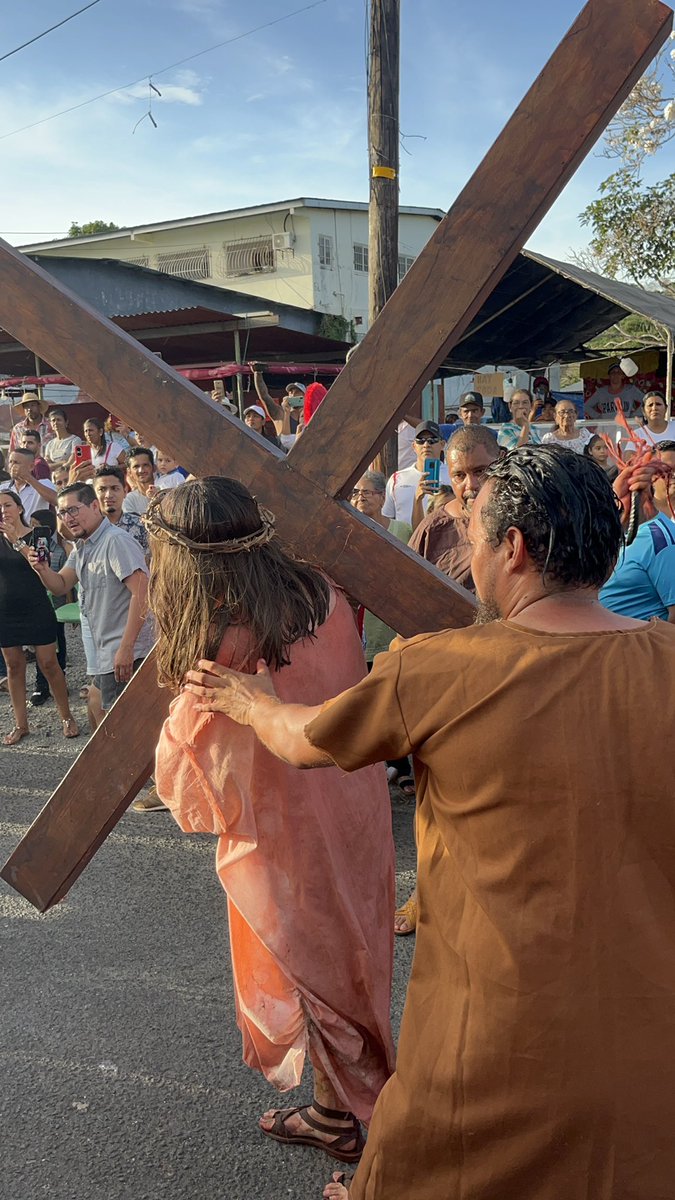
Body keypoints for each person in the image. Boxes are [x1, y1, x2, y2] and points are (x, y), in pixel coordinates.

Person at [183, 447, 675, 1200]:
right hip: (651, 1017)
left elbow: (305, 741)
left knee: (438, 1150)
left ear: (511, 548)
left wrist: (252, 703)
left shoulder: (439, 668)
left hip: (495, 1020)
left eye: (472, 536)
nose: (466, 556)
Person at [147, 478, 395, 1161]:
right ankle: (331, 1110)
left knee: (318, 982)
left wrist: (182, 726)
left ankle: (368, 1134)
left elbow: (195, 794)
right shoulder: (321, 590)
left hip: (288, 838)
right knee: (354, 963)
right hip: (354, 805)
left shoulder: (227, 645)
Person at [29, 484, 154, 725]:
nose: (68, 518)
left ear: (95, 506)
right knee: (97, 708)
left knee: (119, 726)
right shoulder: (83, 545)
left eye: (73, 510)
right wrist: (42, 569)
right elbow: (61, 585)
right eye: (63, 513)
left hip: (125, 650)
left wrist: (126, 648)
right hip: (107, 650)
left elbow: (143, 593)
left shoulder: (115, 541)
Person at [350, 471, 414, 798]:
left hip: (386, 624)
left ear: (381, 497)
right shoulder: (345, 528)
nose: (361, 497)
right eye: (356, 492)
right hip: (353, 625)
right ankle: (376, 768)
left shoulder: (401, 530)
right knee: (363, 700)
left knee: (391, 697)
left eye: (368, 492)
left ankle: (400, 765)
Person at [0, 489, 78, 745]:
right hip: (5, 610)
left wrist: (17, 541)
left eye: (7, 505)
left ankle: (66, 716)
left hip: (36, 606)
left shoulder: (38, 535)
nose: (3, 511)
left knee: (48, 664)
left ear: (20, 508)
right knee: (14, 666)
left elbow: (41, 567)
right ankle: (21, 724)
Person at [409, 425, 500, 584]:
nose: (470, 484)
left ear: (501, 461)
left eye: (480, 472)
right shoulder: (432, 530)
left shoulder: (525, 519)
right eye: (459, 475)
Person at [599, 441, 675, 622]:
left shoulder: (663, 540)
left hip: (635, 646)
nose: (672, 477)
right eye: (665, 471)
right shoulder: (611, 526)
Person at [29, 507, 70, 708]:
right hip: (38, 605)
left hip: (57, 605)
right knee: (42, 649)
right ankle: (41, 684)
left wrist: (70, 605)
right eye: (31, 525)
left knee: (59, 644)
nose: (32, 529)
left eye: (37, 526)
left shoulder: (59, 551)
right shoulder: (28, 550)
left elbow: (65, 581)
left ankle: (60, 677)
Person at [382, 421, 450, 527]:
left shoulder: (454, 475)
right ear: (414, 446)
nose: (426, 445)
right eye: (421, 441)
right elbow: (387, 518)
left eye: (432, 440)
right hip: (405, 542)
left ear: (442, 445)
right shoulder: (397, 478)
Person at [92, 466, 150, 558]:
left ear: (125, 491)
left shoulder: (140, 526)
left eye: (115, 488)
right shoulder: (90, 529)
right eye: (102, 489)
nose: (108, 495)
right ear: (94, 494)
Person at [0, 448, 57, 519]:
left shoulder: (44, 483)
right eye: (10, 462)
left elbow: (57, 501)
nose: (12, 466)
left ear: (31, 466)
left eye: (16, 462)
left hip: (35, 528)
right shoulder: (3, 488)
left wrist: (28, 478)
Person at [71, 417, 126, 482]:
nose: (88, 434)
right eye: (86, 431)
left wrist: (111, 468)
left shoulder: (114, 447)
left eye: (91, 430)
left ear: (100, 432)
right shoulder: (84, 451)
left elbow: (128, 464)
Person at [123, 448, 156, 515]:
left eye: (145, 465)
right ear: (129, 472)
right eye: (136, 466)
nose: (141, 470)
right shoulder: (129, 500)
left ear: (154, 467)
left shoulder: (166, 488)